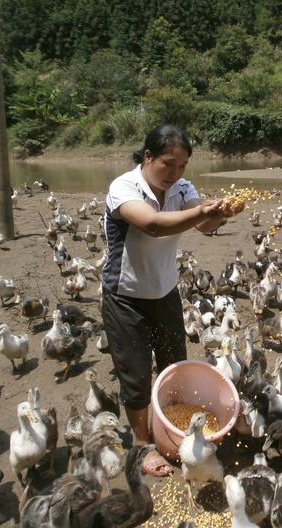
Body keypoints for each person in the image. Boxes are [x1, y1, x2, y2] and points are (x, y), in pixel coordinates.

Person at [101, 124, 244, 476]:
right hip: (126, 296)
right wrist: (203, 213)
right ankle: (141, 445)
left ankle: (171, 429)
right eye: (168, 164)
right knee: (135, 374)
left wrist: (220, 214)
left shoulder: (182, 189)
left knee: (174, 365)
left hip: (165, 291)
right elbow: (152, 224)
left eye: (182, 167)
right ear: (148, 157)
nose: (175, 173)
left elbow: (204, 226)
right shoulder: (124, 187)